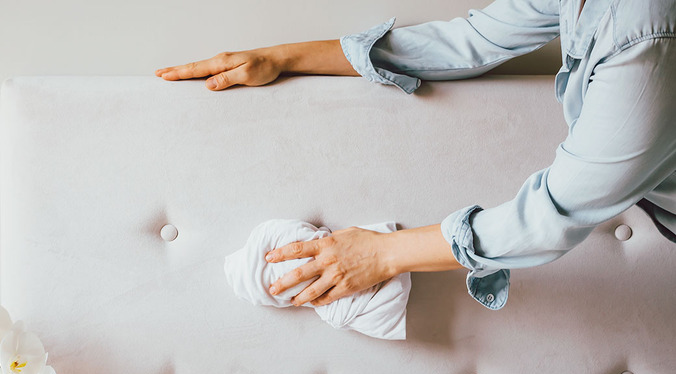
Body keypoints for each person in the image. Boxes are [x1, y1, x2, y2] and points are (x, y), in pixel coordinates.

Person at [156, 0, 675, 310]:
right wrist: (282, 57)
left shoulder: (649, 38)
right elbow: (472, 40)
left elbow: (550, 215)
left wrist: (382, 253)